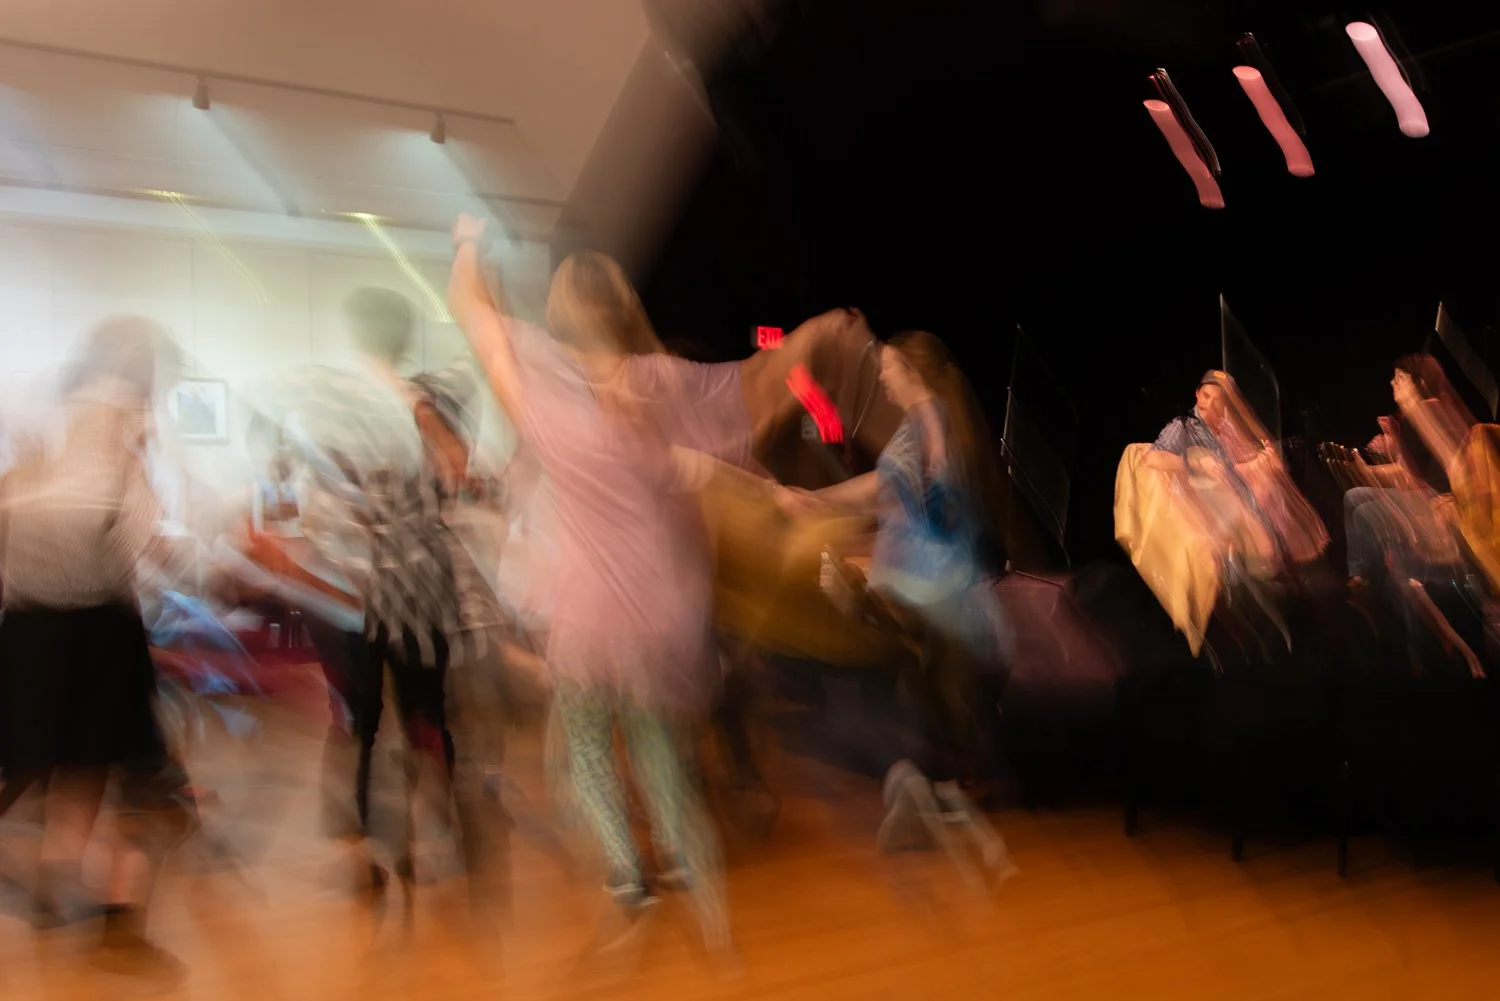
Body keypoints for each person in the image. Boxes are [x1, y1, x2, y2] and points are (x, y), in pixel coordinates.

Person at [446, 214, 851, 960]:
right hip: (664, 620)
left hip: (589, 618)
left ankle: (627, 885)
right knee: (665, 761)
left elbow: (476, 318)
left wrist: (469, 241)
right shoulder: (661, 384)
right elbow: (750, 390)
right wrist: (817, 335)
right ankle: (703, 892)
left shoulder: (549, 401)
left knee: (589, 752)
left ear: (563, 317)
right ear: (625, 308)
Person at [0, 317, 191, 974]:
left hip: (28, 630)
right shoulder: (127, 428)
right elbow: (135, 536)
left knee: (53, 771)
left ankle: (61, 891)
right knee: (105, 779)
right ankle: (115, 920)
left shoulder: (40, 415)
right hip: (96, 628)